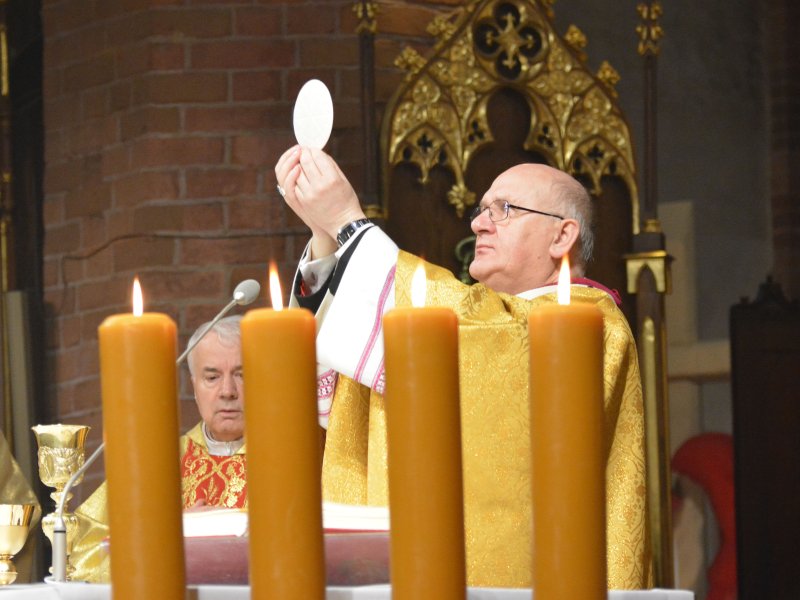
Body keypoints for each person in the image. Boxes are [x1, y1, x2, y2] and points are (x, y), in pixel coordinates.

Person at [275, 145, 651, 589]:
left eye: (503, 209)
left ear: (561, 236)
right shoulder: (483, 313)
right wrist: (325, 237)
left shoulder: (592, 324)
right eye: (481, 209)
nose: (478, 223)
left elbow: (486, 343)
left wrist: (347, 222)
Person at [70, 315, 247, 582]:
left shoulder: (293, 461)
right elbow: (84, 558)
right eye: (212, 377)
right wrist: (168, 531)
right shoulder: (156, 462)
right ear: (194, 386)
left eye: (241, 375)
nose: (227, 391)